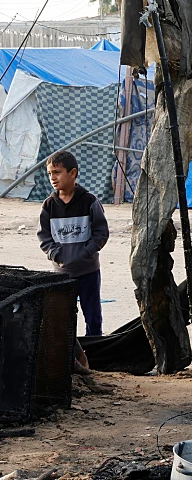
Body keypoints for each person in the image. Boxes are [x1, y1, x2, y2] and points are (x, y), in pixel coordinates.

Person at [37, 151, 109, 370]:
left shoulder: (89, 201)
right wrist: (55, 254)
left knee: (92, 315)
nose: (53, 178)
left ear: (73, 173)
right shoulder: (49, 205)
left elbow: (101, 232)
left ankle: (94, 358)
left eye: (57, 172)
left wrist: (86, 252)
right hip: (62, 274)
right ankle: (71, 359)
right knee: (64, 317)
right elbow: (44, 236)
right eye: (50, 173)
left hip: (88, 271)